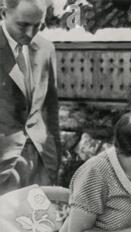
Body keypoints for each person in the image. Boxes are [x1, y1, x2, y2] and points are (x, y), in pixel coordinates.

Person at [0, 0, 61, 196]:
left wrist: (54, 156)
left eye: (38, 25)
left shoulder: (46, 49)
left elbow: (50, 108)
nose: (30, 33)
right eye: (23, 25)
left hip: (41, 161)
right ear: (3, 13)